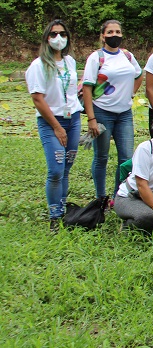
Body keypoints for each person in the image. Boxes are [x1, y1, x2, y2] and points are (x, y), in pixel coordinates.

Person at [26, 20, 84, 232]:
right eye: (53, 34)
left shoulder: (70, 62)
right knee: (55, 170)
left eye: (62, 34)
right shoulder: (38, 66)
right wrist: (57, 128)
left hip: (73, 119)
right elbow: (38, 99)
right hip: (52, 121)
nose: (58, 38)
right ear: (46, 38)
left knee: (66, 168)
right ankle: (54, 216)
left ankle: (62, 210)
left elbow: (70, 91)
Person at [82, 19, 143, 200]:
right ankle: (101, 197)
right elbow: (87, 87)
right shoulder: (96, 58)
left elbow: (138, 75)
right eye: (110, 32)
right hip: (102, 112)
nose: (114, 35)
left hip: (124, 114)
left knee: (125, 159)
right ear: (103, 36)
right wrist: (91, 118)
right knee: (101, 157)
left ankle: (119, 196)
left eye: (117, 32)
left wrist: (131, 94)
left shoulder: (127, 56)